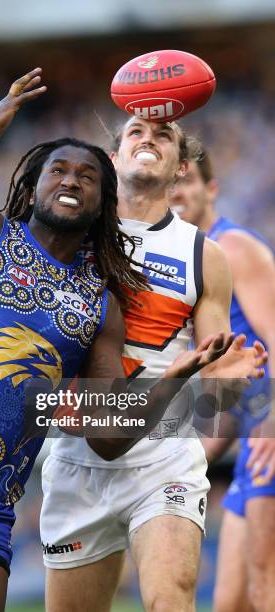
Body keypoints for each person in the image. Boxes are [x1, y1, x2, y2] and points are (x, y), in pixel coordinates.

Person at [0, 68, 245, 611]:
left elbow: (108, 429)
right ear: (32, 182)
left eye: (86, 176)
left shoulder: (103, 299)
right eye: (58, 170)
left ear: (102, 197)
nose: (71, 180)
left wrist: (187, 378)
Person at [40, 116, 266, 612]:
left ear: (181, 167)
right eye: (136, 132)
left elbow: (215, 387)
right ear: (115, 158)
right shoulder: (68, 234)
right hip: (77, 456)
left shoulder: (205, 255)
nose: (149, 138)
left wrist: (229, 379)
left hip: (165, 458)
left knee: (171, 599)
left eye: (163, 135)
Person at [171, 148, 275, 612]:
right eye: (168, 181)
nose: (175, 190)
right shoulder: (197, 264)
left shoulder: (231, 246)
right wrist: (192, 457)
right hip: (255, 429)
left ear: (210, 189)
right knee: (231, 601)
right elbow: (239, 387)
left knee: (265, 586)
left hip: (268, 435)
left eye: (187, 180)